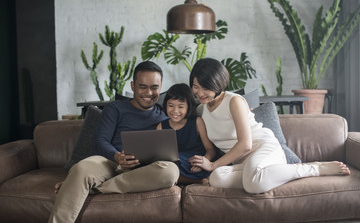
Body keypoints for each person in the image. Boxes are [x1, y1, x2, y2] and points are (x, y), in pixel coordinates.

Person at [188, 57, 351, 194]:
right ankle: (266, 174)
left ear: (218, 84)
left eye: (206, 88)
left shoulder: (233, 101)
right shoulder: (201, 110)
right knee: (217, 178)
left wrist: (213, 165)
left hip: (263, 149)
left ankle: (313, 168)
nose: (200, 93)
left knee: (253, 183)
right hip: (243, 163)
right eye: (196, 87)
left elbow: (246, 144)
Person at [49, 61, 180, 223]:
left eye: (154, 87)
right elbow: (100, 140)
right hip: (110, 162)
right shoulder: (115, 108)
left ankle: (87, 188)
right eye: (142, 86)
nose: (149, 92)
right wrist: (117, 156)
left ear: (160, 87)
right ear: (133, 86)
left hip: (143, 171)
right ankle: (76, 189)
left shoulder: (166, 116)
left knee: (170, 172)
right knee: (81, 168)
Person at [156, 83, 217, 184]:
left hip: (196, 163)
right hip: (176, 166)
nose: (175, 111)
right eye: (170, 105)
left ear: (188, 107)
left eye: (181, 107)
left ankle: (198, 178)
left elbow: (211, 150)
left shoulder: (197, 122)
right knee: (166, 167)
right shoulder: (161, 127)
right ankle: (198, 181)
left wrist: (202, 162)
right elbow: (159, 154)